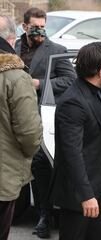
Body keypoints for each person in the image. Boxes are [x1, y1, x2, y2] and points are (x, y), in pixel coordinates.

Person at [51, 41, 101, 240]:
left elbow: (95, 140)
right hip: (81, 197)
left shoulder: (92, 91)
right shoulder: (73, 102)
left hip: (99, 187)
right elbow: (72, 155)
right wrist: (85, 196)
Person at [15, 7, 76, 238]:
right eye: (35, 27)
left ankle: (44, 215)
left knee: (39, 164)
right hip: (12, 116)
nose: (40, 30)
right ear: (25, 27)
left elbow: (70, 80)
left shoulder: (56, 50)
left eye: (43, 26)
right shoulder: (14, 47)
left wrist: (39, 84)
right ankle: (15, 209)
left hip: (39, 116)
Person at [0, 15, 43, 240]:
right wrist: (28, 154)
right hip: (3, 176)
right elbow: (30, 133)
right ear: (12, 38)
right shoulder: (16, 77)